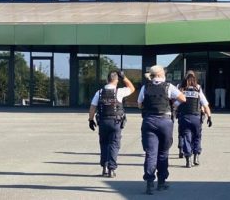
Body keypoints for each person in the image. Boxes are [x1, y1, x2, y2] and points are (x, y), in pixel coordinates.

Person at [138, 65, 186, 195]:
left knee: (151, 153)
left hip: (149, 121)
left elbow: (139, 104)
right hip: (165, 120)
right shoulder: (168, 86)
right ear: (160, 74)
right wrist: (173, 106)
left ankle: (149, 183)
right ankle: (161, 182)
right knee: (163, 153)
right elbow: (183, 98)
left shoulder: (145, 87)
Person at [88, 70, 135, 178]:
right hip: (115, 122)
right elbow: (132, 88)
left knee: (104, 144)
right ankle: (111, 169)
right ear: (116, 80)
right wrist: (124, 78)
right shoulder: (119, 91)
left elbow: (93, 107)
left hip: (103, 122)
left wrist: (90, 120)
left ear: (107, 80)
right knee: (114, 145)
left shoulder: (99, 92)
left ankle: (104, 167)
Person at [177, 70, 212, 168]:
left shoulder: (181, 89)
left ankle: (188, 160)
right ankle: (196, 156)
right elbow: (205, 104)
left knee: (186, 138)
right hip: (196, 117)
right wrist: (209, 117)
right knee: (197, 137)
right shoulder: (198, 89)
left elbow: (176, 104)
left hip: (184, 117)